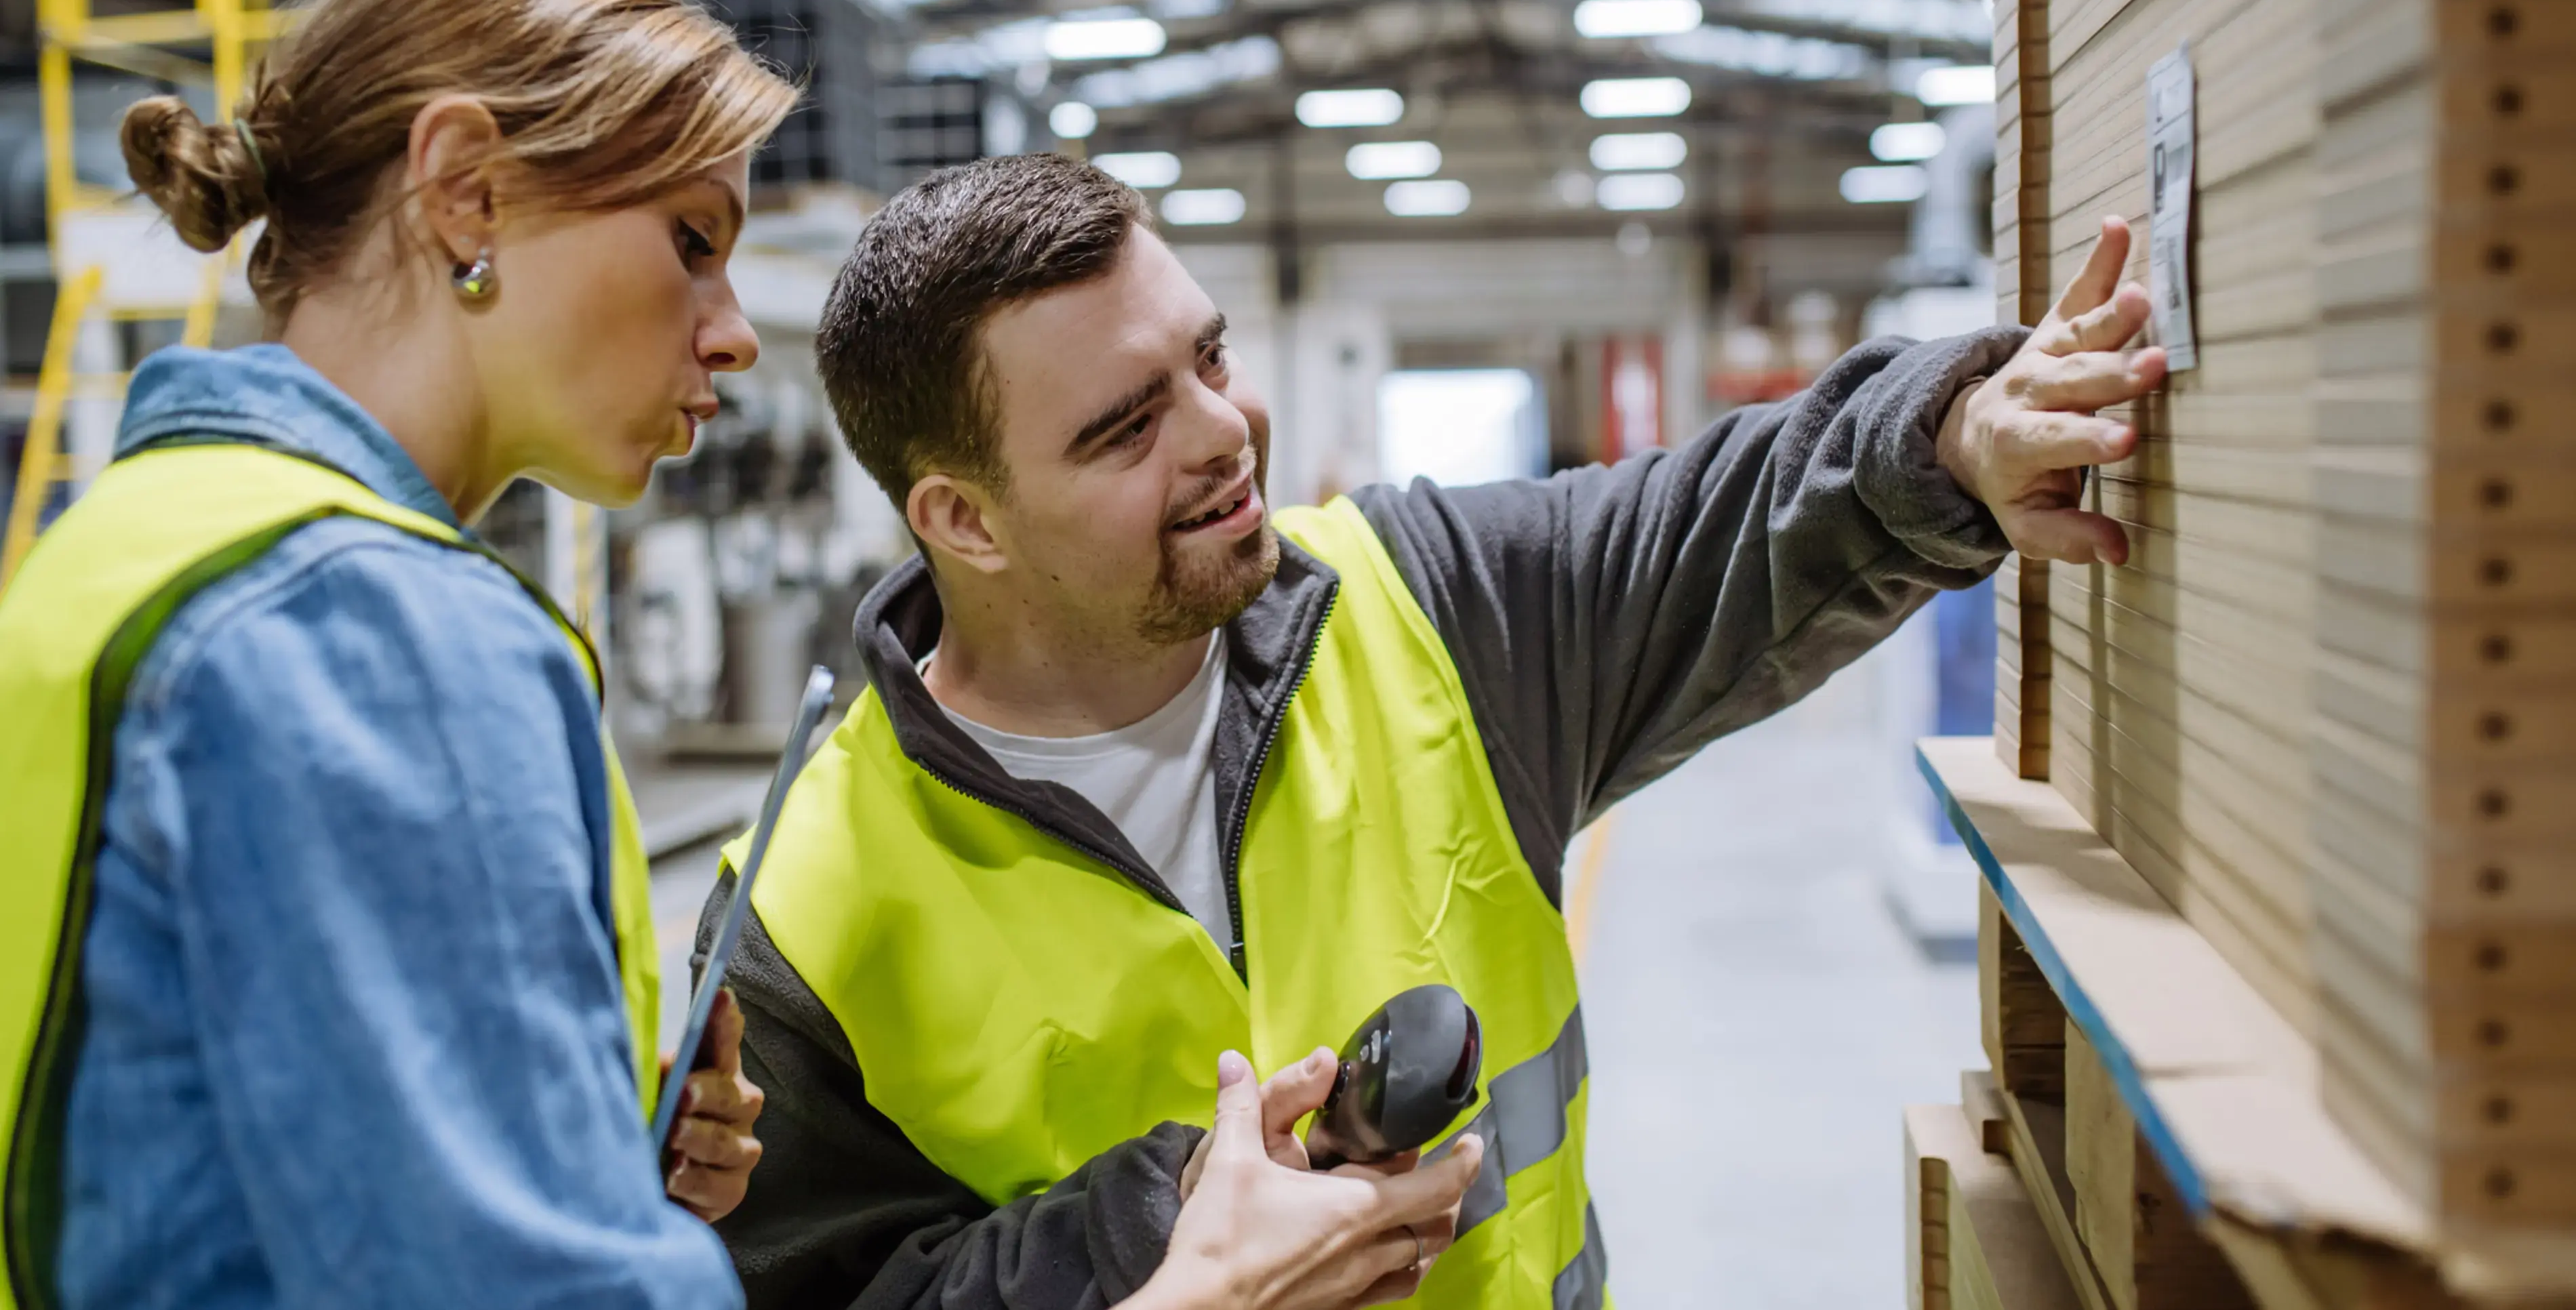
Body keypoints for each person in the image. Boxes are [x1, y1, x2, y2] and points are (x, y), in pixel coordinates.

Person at [0, 0, 1472, 1310]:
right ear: (464, 187)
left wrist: (585, 1147)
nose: (729, 326)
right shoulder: (378, 630)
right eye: (691, 240)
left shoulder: (120, 547)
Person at [702, 152, 2166, 1309]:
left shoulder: (1426, 611)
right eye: (1124, 426)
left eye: (1209, 360)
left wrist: (1959, 436)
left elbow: (1737, 512)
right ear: (962, 517)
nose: (1222, 432)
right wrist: (1159, 1240)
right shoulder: (800, 916)